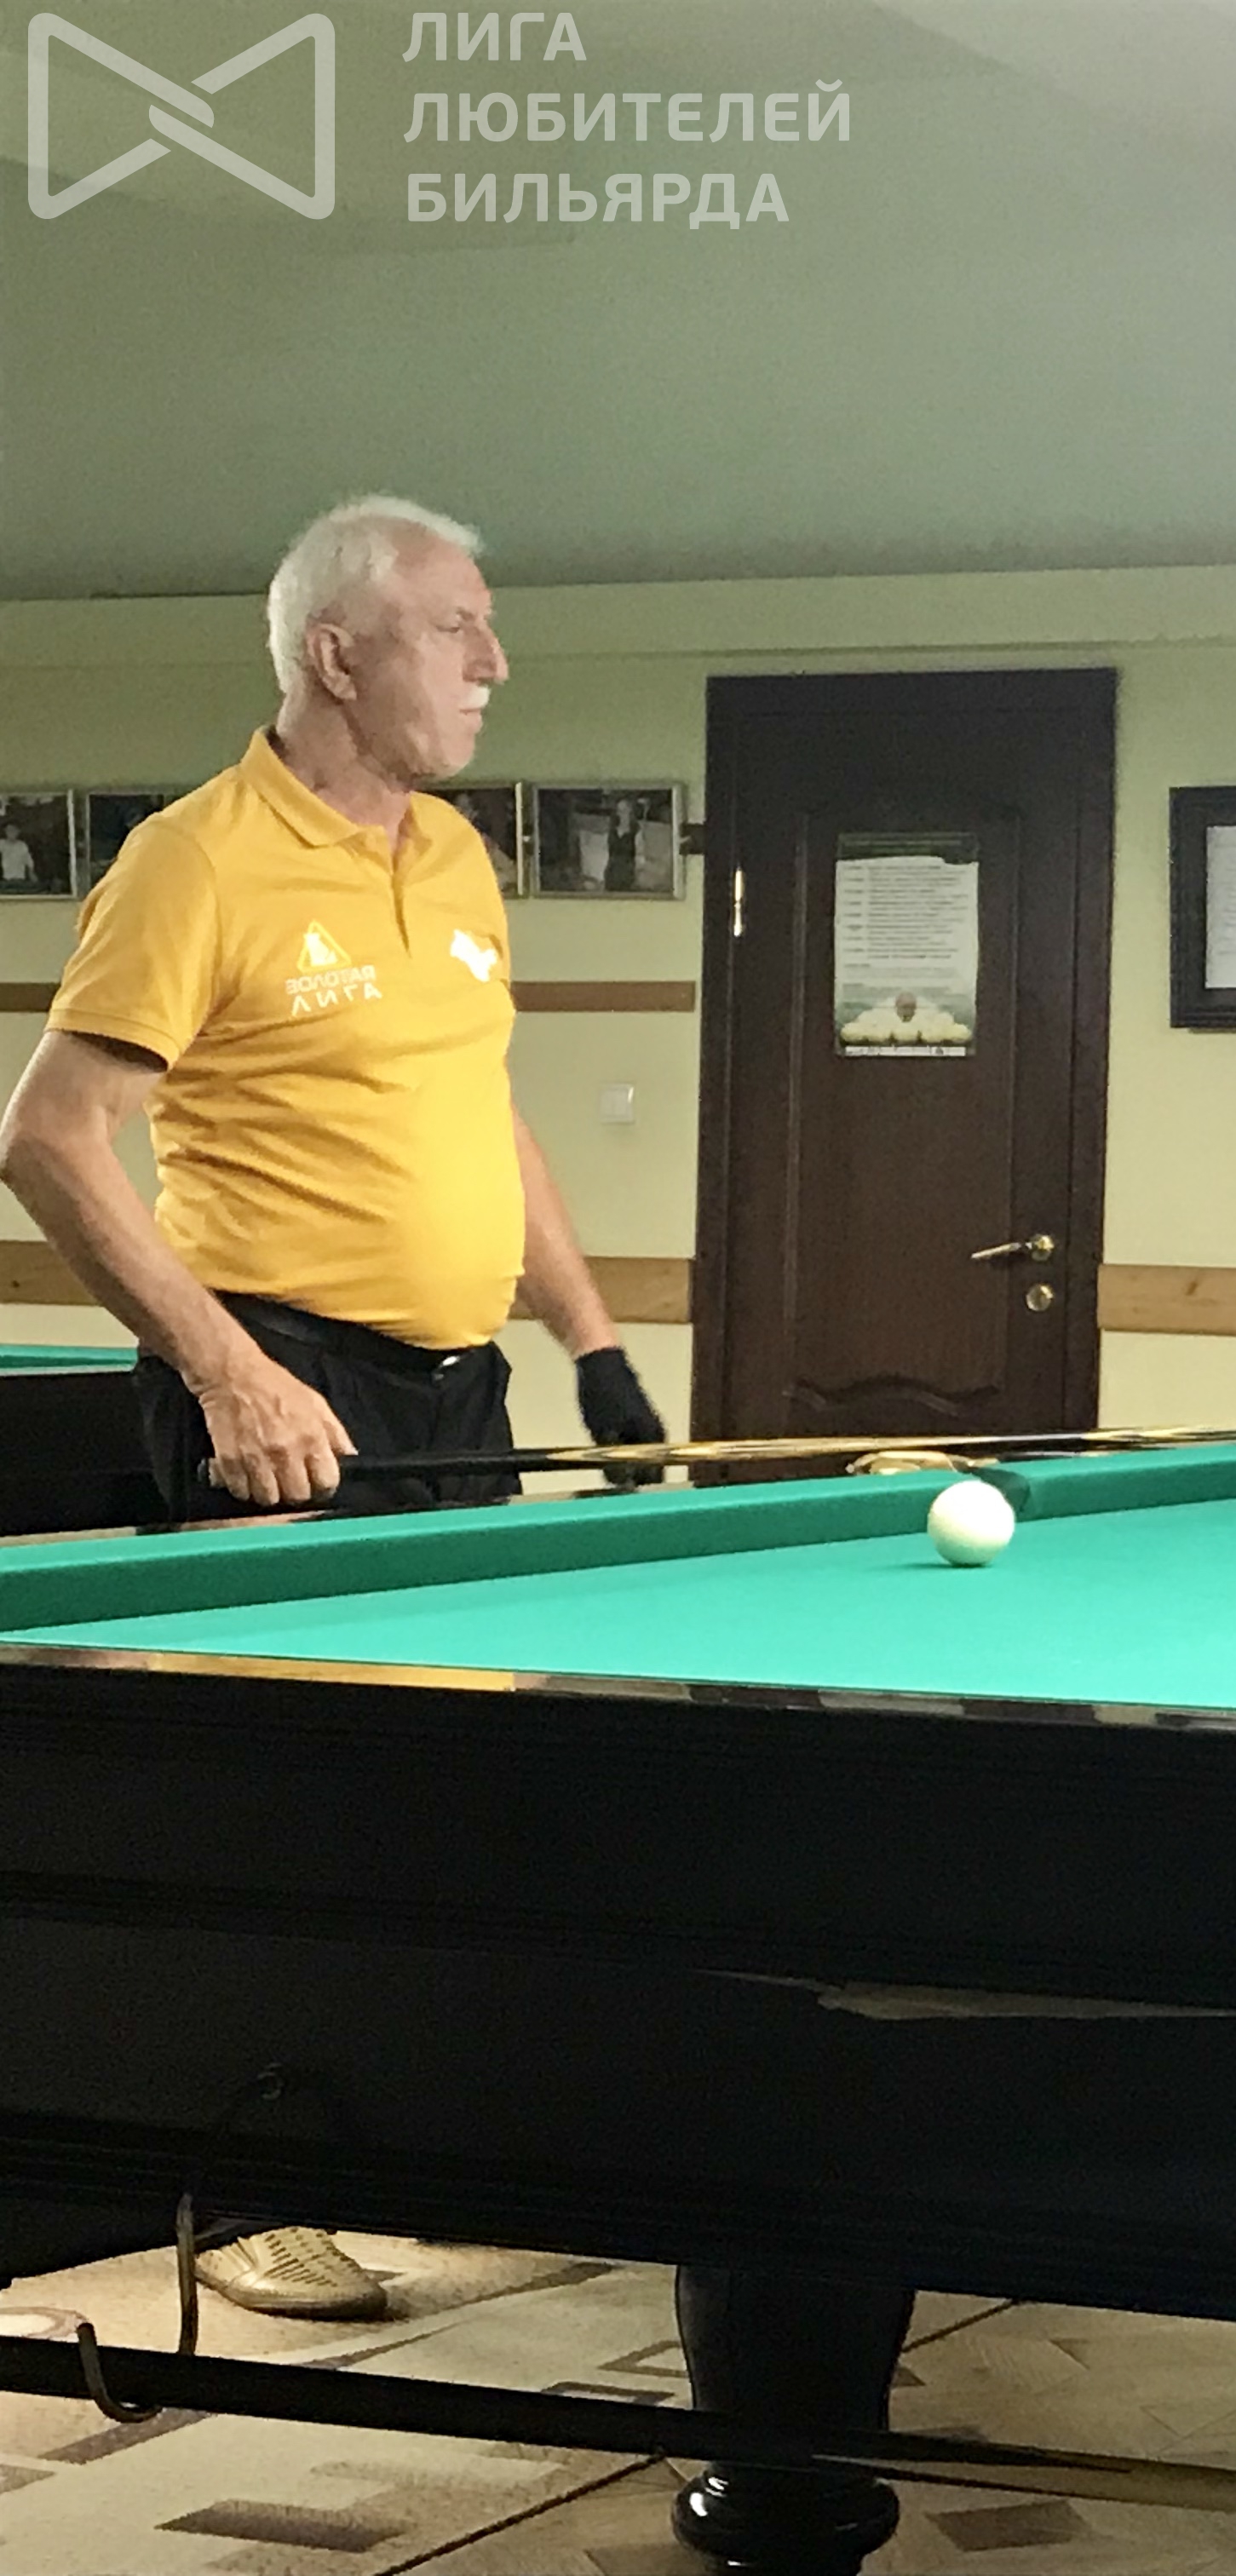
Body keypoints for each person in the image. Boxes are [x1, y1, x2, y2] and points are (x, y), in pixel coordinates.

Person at [0, 496, 669, 2320]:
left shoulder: (451, 856)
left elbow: (483, 1113)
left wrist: (596, 1346)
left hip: (458, 1395)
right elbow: (49, 1137)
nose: (495, 663)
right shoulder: (196, 860)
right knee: (276, 1821)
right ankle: (238, 2182)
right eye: (458, 626)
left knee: (450, 1794)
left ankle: (420, 2144)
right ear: (337, 653)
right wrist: (228, 1369)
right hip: (283, 1391)